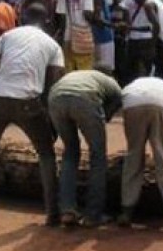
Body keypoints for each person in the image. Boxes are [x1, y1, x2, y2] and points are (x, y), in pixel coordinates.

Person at [0, 4, 65, 226]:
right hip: (28, 101)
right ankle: (53, 211)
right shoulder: (53, 45)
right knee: (46, 154)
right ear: (47, 21)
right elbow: (53, 84)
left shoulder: (9, 36)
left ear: (21, 18)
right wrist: (49, 118)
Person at [47, 70, 122, 227]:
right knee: (98, 156)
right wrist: (100, 119)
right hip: (85, 98)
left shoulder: (82, 76)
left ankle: (67, 209)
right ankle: (93, 215)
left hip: (55, 97)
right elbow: (115, 104)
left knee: (70, 151)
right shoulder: (112, 84)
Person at [118, 76, 163, 232]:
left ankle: (126, 212)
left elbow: (117, 104)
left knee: (133, 157)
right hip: (161, 106)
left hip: (133, 105)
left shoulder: (130, 86)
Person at [56, 0, 96, 71]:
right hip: (83, 36)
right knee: (85, 69)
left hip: (68, 37)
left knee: (69, 69)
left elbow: (62, 18)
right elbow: (88, 14)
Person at [91, 0, 117, 74]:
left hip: (98, 37)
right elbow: (98, 19)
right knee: (105, 71)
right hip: (103, 38)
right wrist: (115, 25)